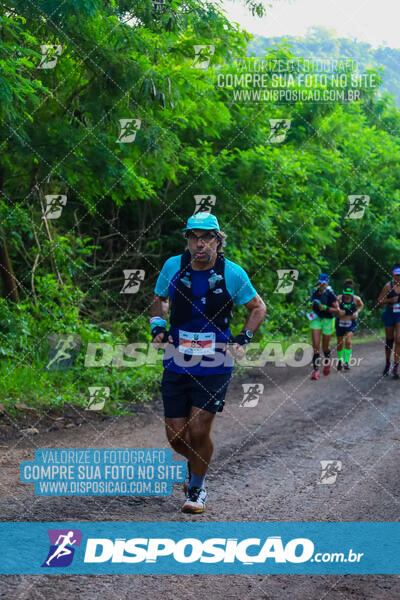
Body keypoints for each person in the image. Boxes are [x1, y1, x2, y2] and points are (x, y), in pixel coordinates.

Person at [150, 212, 266, 513]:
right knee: (176, 436)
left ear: (218, 240)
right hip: (177, 360)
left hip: (215, 361)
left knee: (199, 430)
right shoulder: (173, 266)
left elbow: (258, 308)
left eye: (206, 238)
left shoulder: (233, 274)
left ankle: (197, 488)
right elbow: (160, 298)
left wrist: (243, 338)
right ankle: (196, 463)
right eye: (193, 237)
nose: (199, 244)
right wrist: (158, 325)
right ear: (188, 240)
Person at [307, 273, 339, 380]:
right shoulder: (314, 292)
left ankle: (327, 361)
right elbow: (310, 303)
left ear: (327, 284)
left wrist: (325, 307)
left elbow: (337, 310)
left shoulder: (330, 294)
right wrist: (309, 305)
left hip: (328, 320)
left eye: (324, 283)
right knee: (316, 346)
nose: (322, 285)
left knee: (325, 346)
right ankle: (316, 370)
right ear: (318, 282)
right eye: (320, 283)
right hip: (316, 319)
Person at [335, 279, 364, 371]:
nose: (347, 296)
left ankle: (347, 362)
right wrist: (339, 311)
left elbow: (361, 306)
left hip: (351, 323)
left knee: (348, 341)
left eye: (349, 294)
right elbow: (334, 308)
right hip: (340, 323)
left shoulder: (356, 299)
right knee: (340, 343)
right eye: (345, 294)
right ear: (343, 292)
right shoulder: (339, 298)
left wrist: (357, 312)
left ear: (352, 293)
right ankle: (340, 360)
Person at [377, 265, 400, 378]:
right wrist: (390, 300)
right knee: (389, 340)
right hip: (390, 313)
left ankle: (396, 366)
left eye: (399, 275)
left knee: (399, 339)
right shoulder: (388, 286)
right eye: (396, 275)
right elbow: (379, 302)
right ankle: (387, 363)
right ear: (393, 275)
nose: (398, 277)